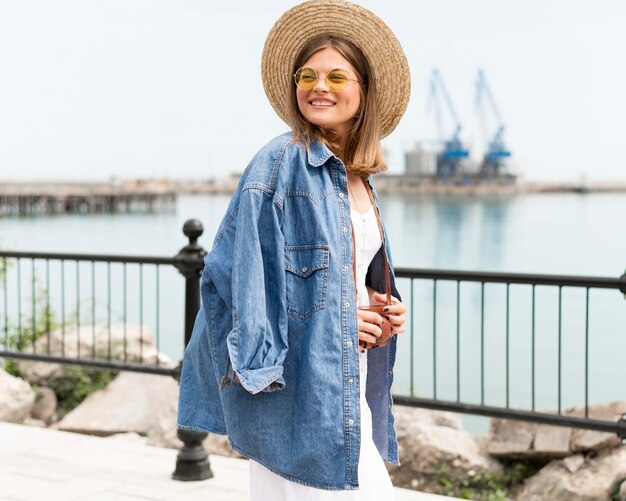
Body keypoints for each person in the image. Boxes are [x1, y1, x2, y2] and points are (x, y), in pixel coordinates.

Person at [177, 0, 411, 497]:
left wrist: (376, 305)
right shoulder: (280, 161)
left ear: (364, 91)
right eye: (307, 75)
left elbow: (330, 279)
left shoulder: (357, 176)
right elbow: (244, 276)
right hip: (296, 390)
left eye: (336, 77)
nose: (319, 87)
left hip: (344, 380)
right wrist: (344, 319)